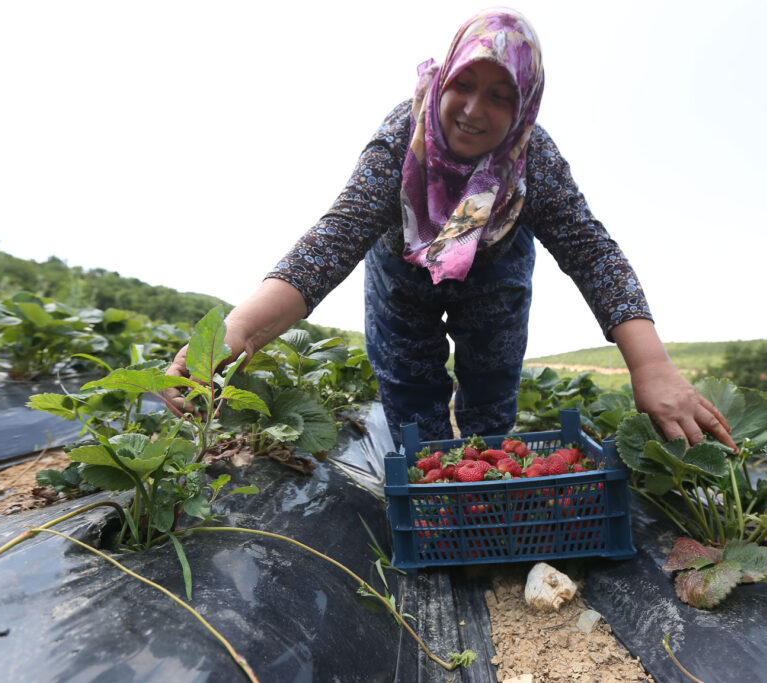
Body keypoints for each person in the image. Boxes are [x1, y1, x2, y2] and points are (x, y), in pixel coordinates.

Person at [166, 8, 736, 453]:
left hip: (496, 273)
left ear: (524, 107)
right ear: (444, 78)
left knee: (491, 397)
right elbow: (333, 242)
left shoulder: (532, 160)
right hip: (402, 275)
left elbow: (593, 254)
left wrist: (652, 366)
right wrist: (234, 333)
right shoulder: (400, 142)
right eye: (464, 84)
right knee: (413, 404)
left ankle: (488, 491)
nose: (472, 109)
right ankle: (435, 493)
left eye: (500, 95)